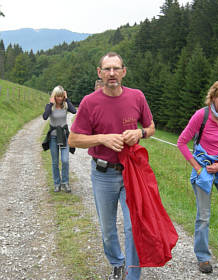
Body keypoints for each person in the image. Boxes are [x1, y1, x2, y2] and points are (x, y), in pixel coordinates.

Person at [68, 52, 155, 280]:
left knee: (133, 226)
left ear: (124, 71)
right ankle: (117, 261)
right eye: (107, 69)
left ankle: (132, 275)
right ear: (100, 73)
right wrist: (102, 138)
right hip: (103, 174)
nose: (112, 73)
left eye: (116, 68)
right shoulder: (90, 102)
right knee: (108, 231)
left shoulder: (137, 97)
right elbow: (73, 139)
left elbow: (151, 127)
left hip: (131, 173)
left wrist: (140, 132)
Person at [177, 79, 218, 279]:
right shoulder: (202, 115)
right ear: (213, 97)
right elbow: (181, 142)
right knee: (204, 216)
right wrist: (199, 170)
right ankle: (203, 257)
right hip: (204, 168)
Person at [42, 85, 77, 193]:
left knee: (65, 160)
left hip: (65, 136)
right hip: (53, 137)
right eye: (58, 96)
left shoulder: (66, 105)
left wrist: (67, 99)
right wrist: (50, 103)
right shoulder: (50, 107)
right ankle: (57, 184)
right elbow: (45, 116)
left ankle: (65, 182)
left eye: (61, 96)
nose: (60, 99)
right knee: (55, 162)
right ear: (54, 96)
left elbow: (74, 111)